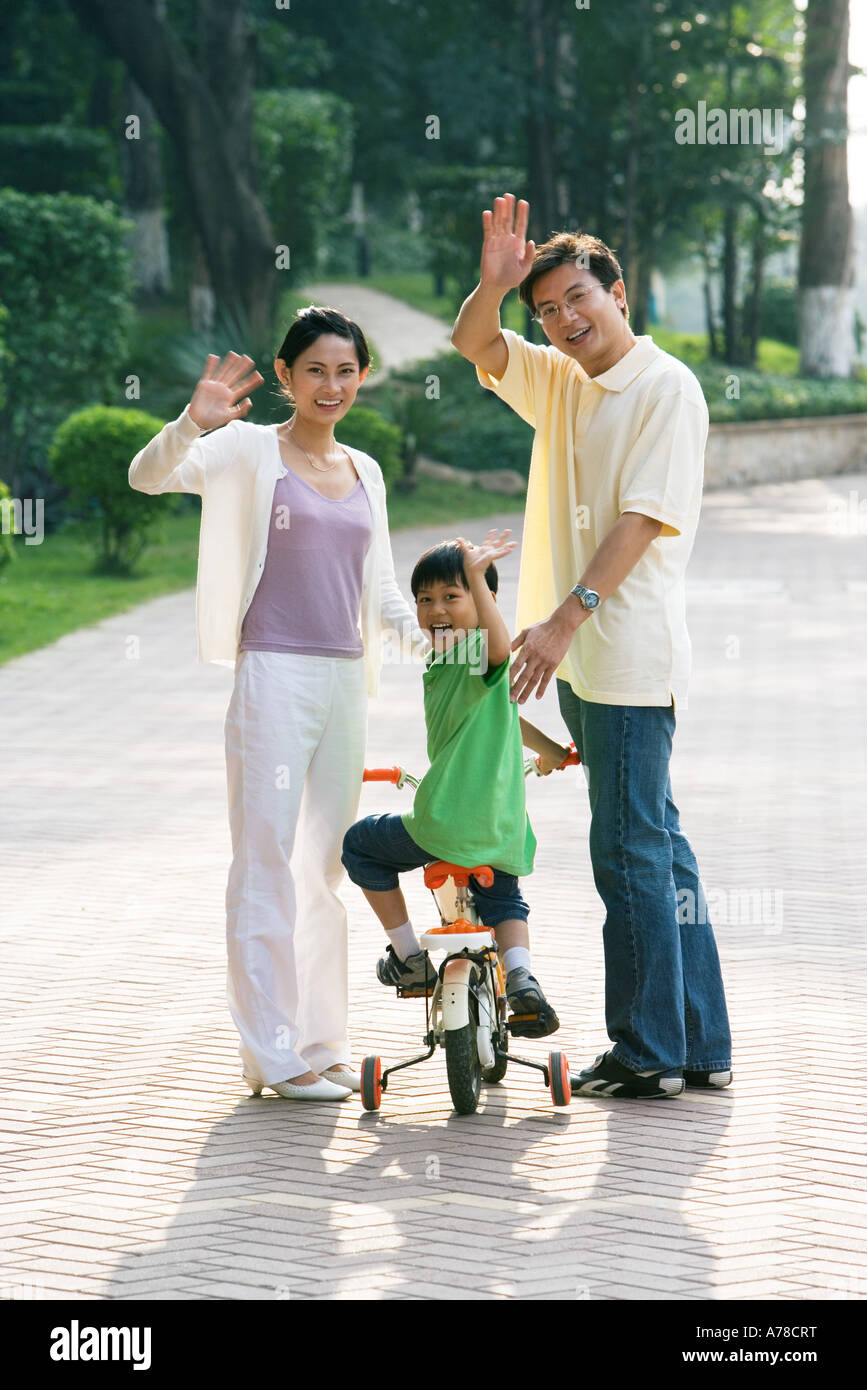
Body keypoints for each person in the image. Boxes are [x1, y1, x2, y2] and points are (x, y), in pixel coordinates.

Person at [450, 194, 732, 1099]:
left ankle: (647, 1051)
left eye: (579, 298)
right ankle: (698, 1043)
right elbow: (476, 347)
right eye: (548, 311)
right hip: (584, 662)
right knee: (658, 846)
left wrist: (564, 617)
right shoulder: (564, 379)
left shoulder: (664, 388)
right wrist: (492, 289)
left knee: (628, 853)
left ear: (618, 291)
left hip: (625, 658)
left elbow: (643, 517)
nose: (565, 321)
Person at [128, 306, 424, 1102]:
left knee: (322, 868)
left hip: (343, 680)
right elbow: (146, 476)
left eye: (346, 370)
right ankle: (271, 1052)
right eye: (315, 370)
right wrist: (190, 424)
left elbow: (384, 591)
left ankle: (322, 1042)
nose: (332, 385)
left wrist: (454, 648)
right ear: (286, 375)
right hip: (273, 675)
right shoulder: (248, 451)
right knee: (264, 859)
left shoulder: (365, 469)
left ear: (362, 377)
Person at [341, 531, 572, 1034]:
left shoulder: (472, 652)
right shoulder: (451, 659)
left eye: (453, 595)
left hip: (444, 822)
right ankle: (523, 978)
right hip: (502, 826)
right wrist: (552, 752)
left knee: (360, 845)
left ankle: (408, 958)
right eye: (425, 600)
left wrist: (477, 579)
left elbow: (494, 648)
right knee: (504, 897)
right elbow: (502, 711)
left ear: (484, 600)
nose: (435, 610)